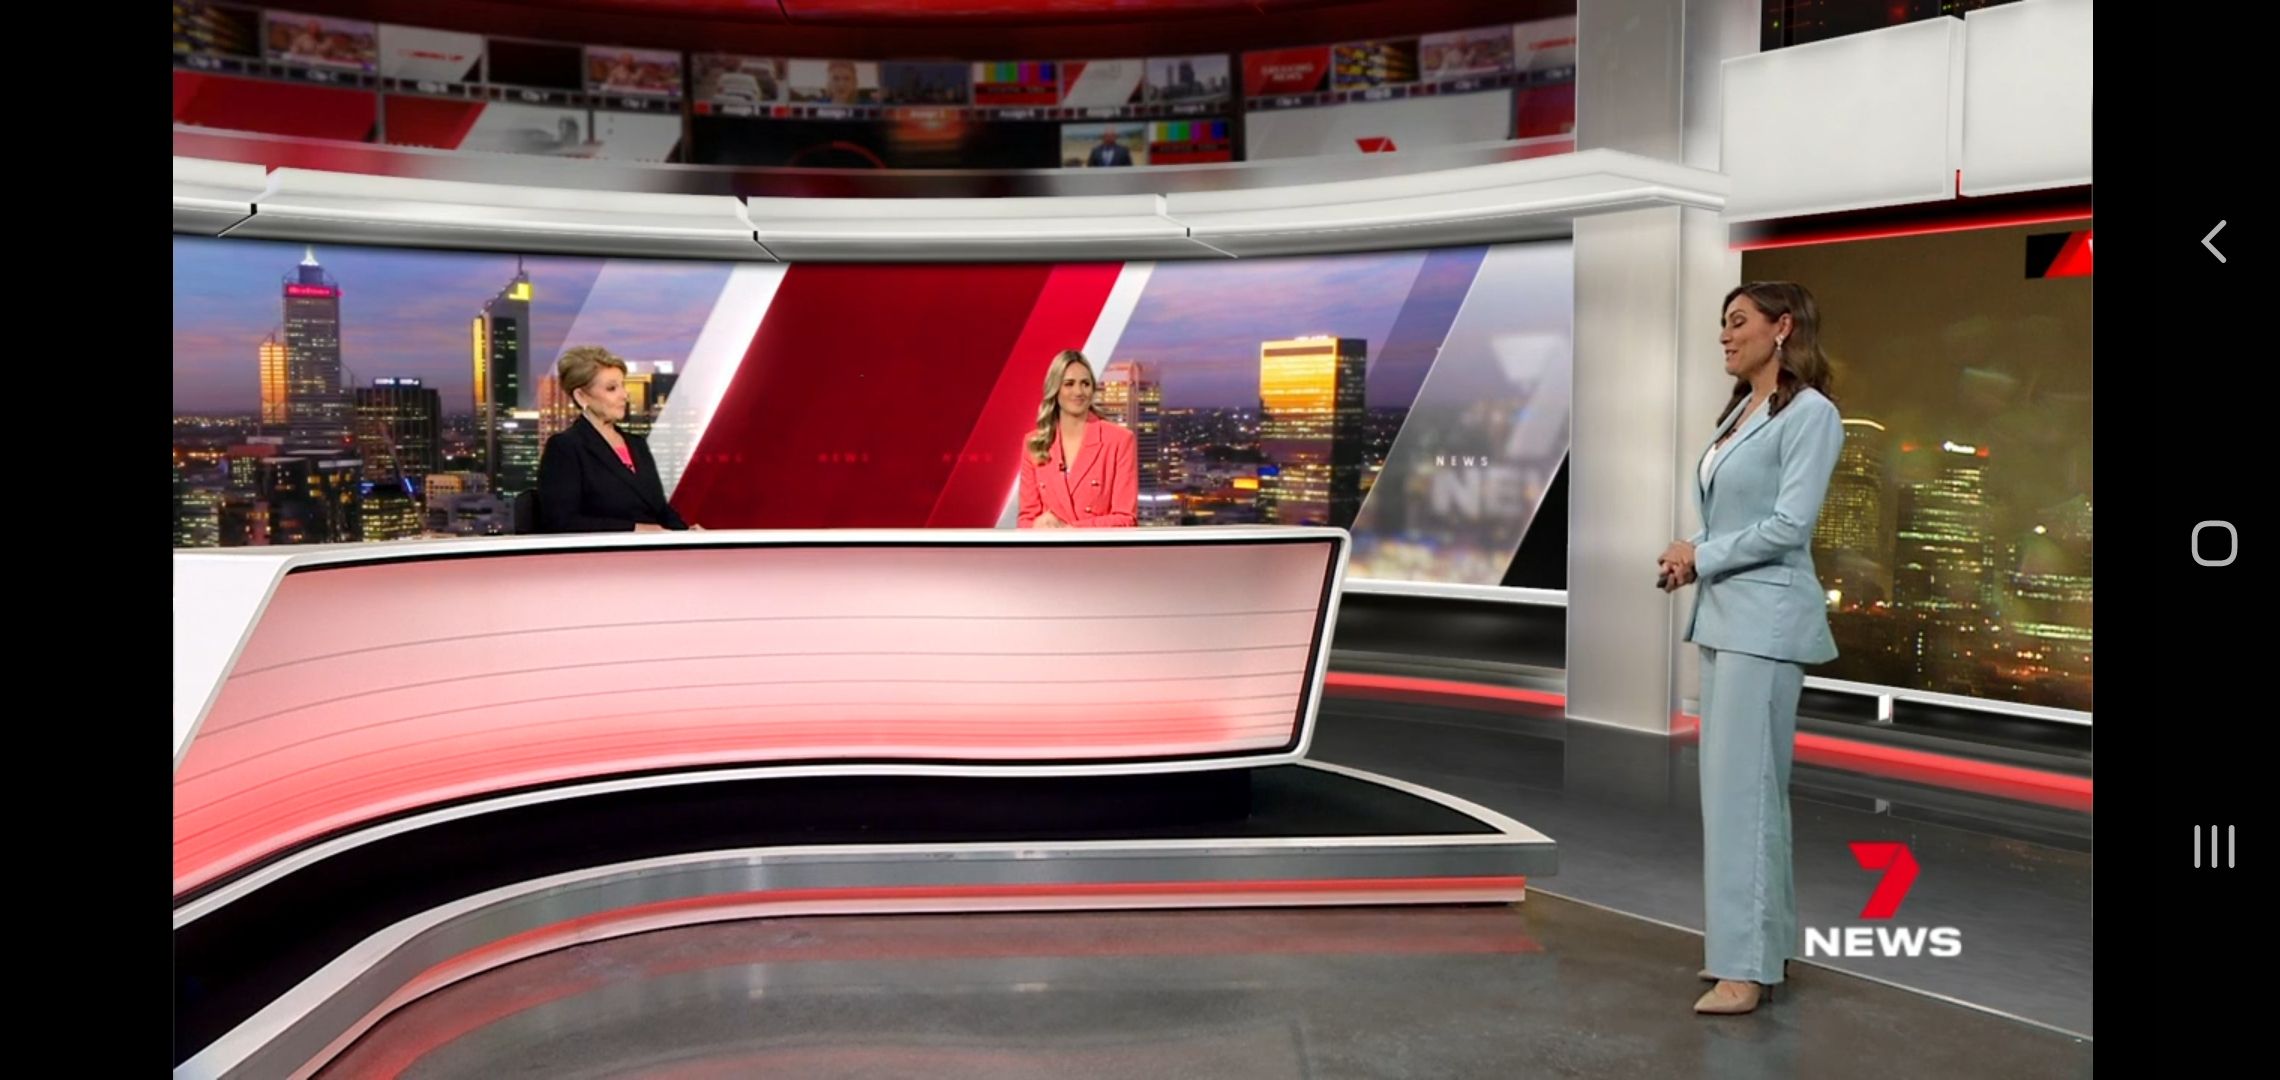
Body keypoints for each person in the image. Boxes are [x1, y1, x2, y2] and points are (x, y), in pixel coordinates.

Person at [1656, 281, 1844, 1017]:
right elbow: (1738, 517)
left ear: (1783, 327)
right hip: (1726, 621)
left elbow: (1790, 525)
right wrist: (1692, 554)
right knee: (1736, 797)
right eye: (1722, 324)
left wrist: (1704, 555)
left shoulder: (1811, 414)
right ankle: (1760, 950)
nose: (1725, 336)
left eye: (1739, 323)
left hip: (1764, 629)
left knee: (1746, 799)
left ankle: (1745, 969)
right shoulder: (1742, 413)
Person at [536, 349, 698, 533]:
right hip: (604, 550)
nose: (624, 395)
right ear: (581, 396)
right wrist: (634, 529)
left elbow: (660, 510)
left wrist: (686, 533)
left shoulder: (636, 444)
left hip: (650, 548)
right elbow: (561, 521)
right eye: (612, 388)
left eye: (623, 386)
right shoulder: (565, 447)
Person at [1017, 350, 1138, 528]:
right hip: (1049, 545)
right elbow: (1026, 520)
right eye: (1069, 384)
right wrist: (1037, 525)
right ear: (1055, 389)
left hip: (1097, 545)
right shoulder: (1034, 443)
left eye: (1085, 384)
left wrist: (1071, 531)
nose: (1079, 391)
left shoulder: (1120, 441)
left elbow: (1126, 519)